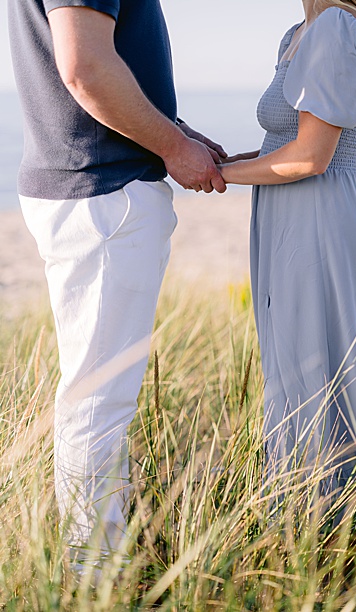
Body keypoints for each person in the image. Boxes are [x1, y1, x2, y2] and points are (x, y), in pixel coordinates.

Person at [9, 0, 226, 572]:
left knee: (95, 395)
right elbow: (85, 68)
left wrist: (176, 131)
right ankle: (93, 577)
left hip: (89, 183)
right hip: (103, 189)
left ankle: (94, 566)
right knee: (98, 401)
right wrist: (175, 148)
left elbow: (102, 62)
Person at [216, 0, 356, 498]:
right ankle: (303, 496)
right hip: (284, 210)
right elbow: (288, 141)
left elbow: (313, 155)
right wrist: (229, 158)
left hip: (315, 212)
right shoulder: (298, 32)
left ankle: (329, 502)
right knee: (293, 350)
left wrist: (217, 175)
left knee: (316, 350)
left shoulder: (338, 26)